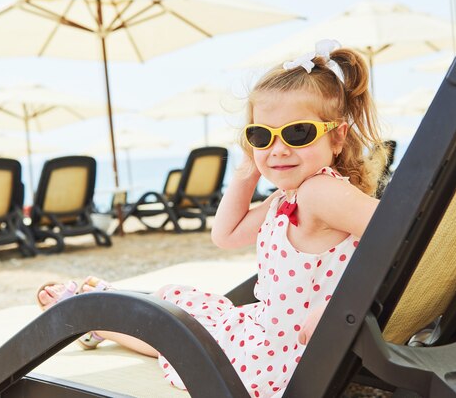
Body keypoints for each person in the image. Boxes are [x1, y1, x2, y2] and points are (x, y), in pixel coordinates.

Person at [37, 39, 386, 398]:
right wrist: (253, 164)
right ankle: (104, 312)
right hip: (272, 338)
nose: (279, 148)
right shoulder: (295, 197)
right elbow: (227, 234)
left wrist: (337, 308)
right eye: (261, 136)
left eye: (299, 132)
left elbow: (399, 236)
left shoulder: (319, 194)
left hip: (273, 358)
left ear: (338, 137)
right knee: (185, 311)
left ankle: (92, 315)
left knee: (175, 331)